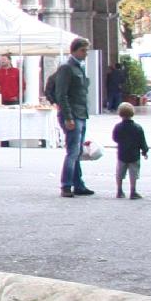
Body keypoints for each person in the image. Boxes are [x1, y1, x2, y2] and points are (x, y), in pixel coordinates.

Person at [49, 36, 94, 197]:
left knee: (77, 151)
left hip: (80, 113)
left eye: (86, 50)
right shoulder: (67, 68)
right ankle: (66, 184)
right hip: (73, 114)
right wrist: (68, 116)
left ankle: (78, 183)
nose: (85, 53)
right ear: (74, 50)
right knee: (73, 151)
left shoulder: (78, 67)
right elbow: (61, 94)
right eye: (83, 50)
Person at [111, 102, 149, 200]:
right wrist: (144, 151)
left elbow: (115, 138)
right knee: (133, 174)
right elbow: (142, 141)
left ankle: (119, 190)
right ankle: (133, 191)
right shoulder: (138, 128)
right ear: (132, 113)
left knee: (119, 173)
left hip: (122, 154)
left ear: (120, 113)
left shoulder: (118, 127)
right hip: (134, 155)